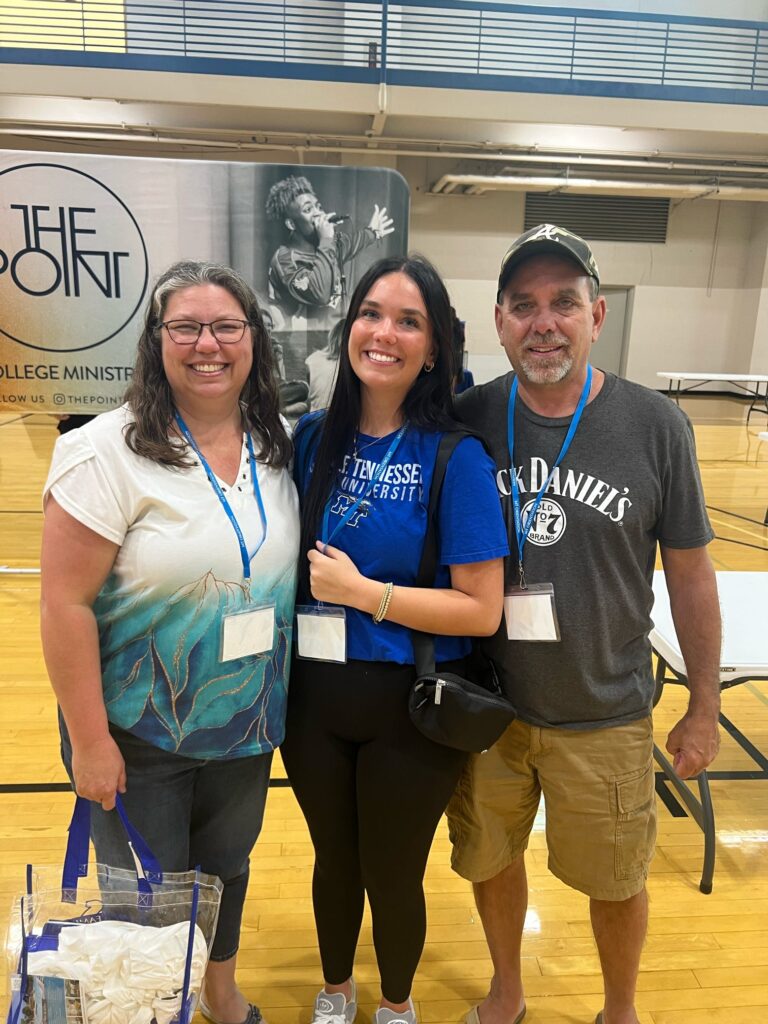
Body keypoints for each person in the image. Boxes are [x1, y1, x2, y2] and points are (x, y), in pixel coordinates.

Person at [446, 224, 722, 1024]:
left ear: (596, 316)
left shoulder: (655, 426)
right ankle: (508, 989)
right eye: (523, 305)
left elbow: (692, 575)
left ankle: (620, 1008)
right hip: (490, 709)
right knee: (490, 859)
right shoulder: (467, 419)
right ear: (499, 321)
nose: (544, 323)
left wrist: (704, 706)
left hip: (606, 710)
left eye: (563, 303)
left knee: (617, 879)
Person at [40, 261, 300, 1024]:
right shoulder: (103, 451)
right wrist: (91, 743)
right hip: (136, 732)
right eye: (185, 327)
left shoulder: (276, 442)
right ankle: (156, 1008)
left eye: (226, 327)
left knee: (228, 868)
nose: (206, 344)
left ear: (253, 339)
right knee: (147, 898)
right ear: (156, 340)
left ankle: (218, 991)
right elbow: (63, 606)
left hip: (245, 723)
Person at [282, 255, 509, 1024]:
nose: (385, 333)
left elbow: (481, 610)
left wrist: (366, 595)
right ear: (349, 328)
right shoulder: (314, 438)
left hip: (410, 705)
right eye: (371, 314)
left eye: (409, 321)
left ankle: (396, 1004)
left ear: (435, 347)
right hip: (314, 698)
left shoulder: (456, 456)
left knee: (391, 870)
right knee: (334, 860)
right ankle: (336, 990)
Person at [265, 174, 394, 329]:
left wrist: (372, 232)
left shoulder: (329, 244)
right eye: (308, 209)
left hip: (330, 339)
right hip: (298, 341)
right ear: (291, 224)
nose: (318, 213)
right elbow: (320, 294)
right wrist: (326, 239)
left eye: (318, 207)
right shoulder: (285, 260)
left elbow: (350, 243)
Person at [305, 316, 344, 411]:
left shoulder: (312, 359)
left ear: (332, 336)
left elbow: (309, 396)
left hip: (314, 416)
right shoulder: (353, 364)